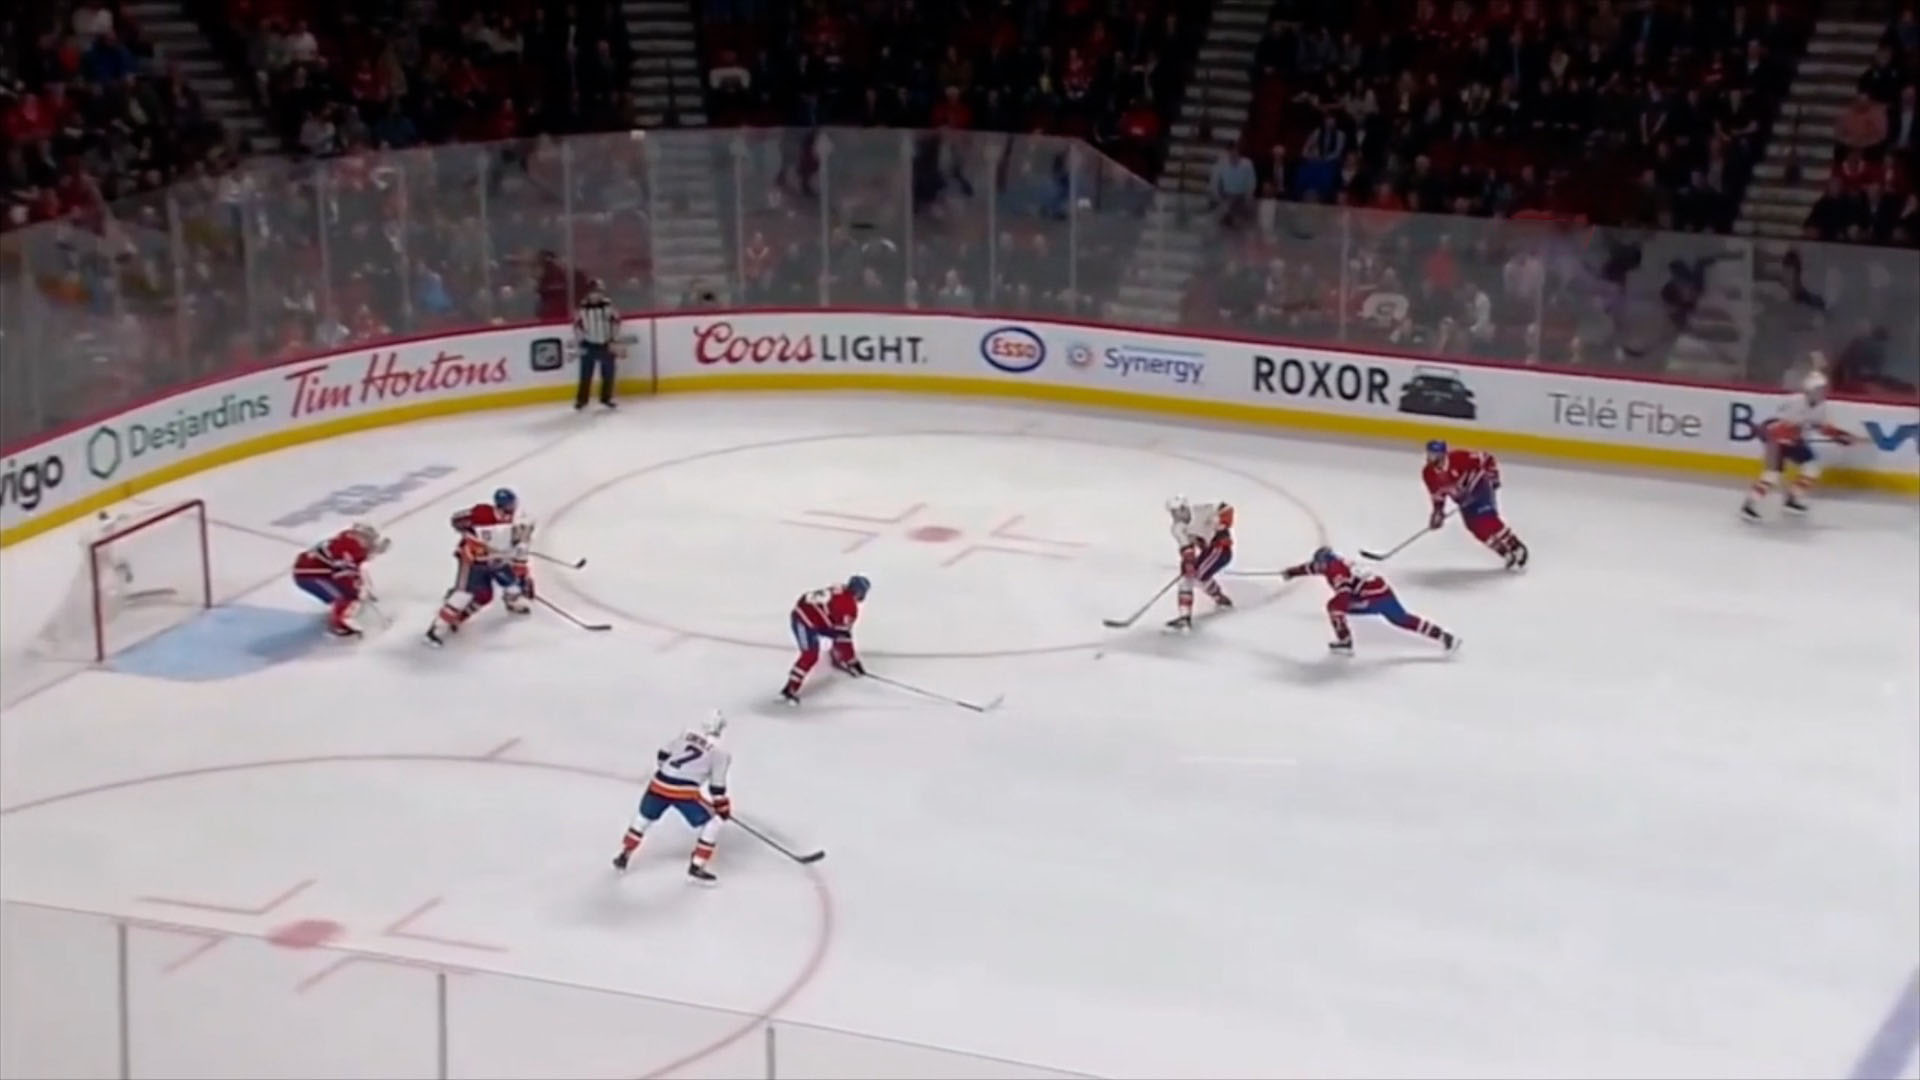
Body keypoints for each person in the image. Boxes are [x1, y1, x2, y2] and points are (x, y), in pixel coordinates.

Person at [573, 279, 620, 410]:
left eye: (598, 292)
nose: (596, 295)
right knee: (585, 374)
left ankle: (606, 398)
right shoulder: (582, 308)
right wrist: (580, 341)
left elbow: (616, 322)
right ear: (588, 293)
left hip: (606, 343)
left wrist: (613, 340)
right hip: (588, 344)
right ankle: (582, 400)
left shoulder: (608, 305)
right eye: (593, 292)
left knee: (608, 373)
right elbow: (577, 325)